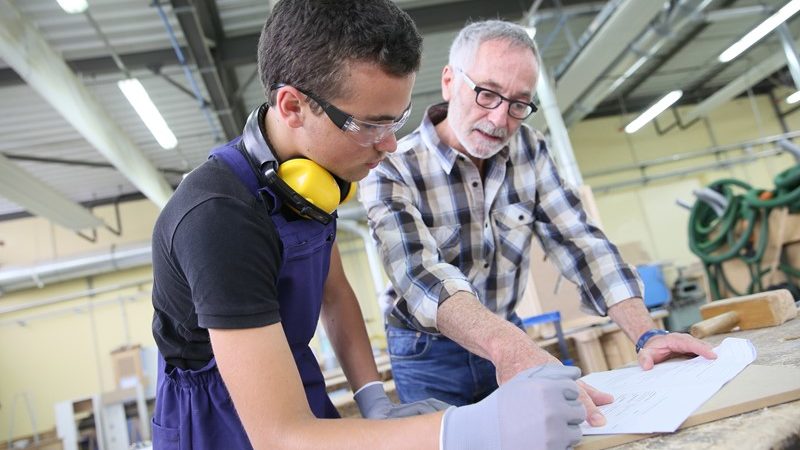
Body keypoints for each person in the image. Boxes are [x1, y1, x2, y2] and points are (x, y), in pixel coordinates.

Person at [150, 3, 586, 449]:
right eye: (370, 124)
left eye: (396, 120)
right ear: (293, 106)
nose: (391, 144)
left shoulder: (308, 176)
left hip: (296, 389)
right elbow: (281, 437)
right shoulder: (219, 218)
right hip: (220, 423)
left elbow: (334, 291)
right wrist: (471, 429)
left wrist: (372, 396)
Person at [359, 19, 717, 427]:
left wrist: (647, 334)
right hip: (427, 352)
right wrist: (509, 346)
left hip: (508, 330)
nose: (499, 120)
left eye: (518, 104)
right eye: (487, 94)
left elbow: (580, 242)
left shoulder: (530, 148)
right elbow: (420, 273)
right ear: (448, 81)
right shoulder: (390, 168)